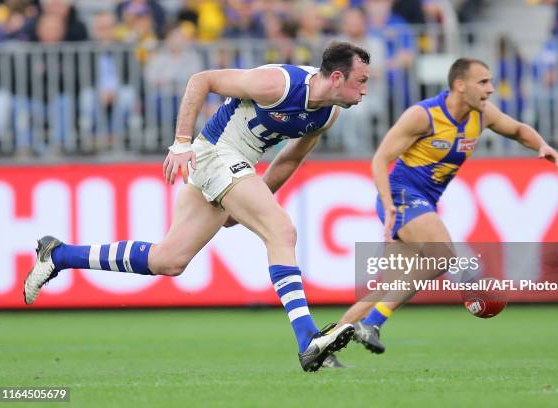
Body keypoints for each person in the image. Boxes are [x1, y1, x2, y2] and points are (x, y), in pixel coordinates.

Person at [23, 41, 371, 372]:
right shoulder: (278, 83)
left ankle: (58, 255)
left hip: (237, 168)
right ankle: (308, 340)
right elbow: (201, 79)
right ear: (337, 77)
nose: (365, 91)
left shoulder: (327, 115)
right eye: (361, 81)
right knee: (282, 231)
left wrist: (251, 201)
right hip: (213, 153)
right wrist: (180, 144)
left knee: (168, 260)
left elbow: (288, 160)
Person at [334, 57, 558, 359]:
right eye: (483, 82)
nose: (491, 89)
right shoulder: (423, 115)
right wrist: (389, 205)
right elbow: (380, 159)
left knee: (386, 290)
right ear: (460, 84)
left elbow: (518, 130)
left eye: (491, 82)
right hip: (401, 196)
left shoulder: (481, 115)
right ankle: (373, 324)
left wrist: (541, 146)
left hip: (423, 202)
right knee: (443, 255)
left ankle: (323, 346)